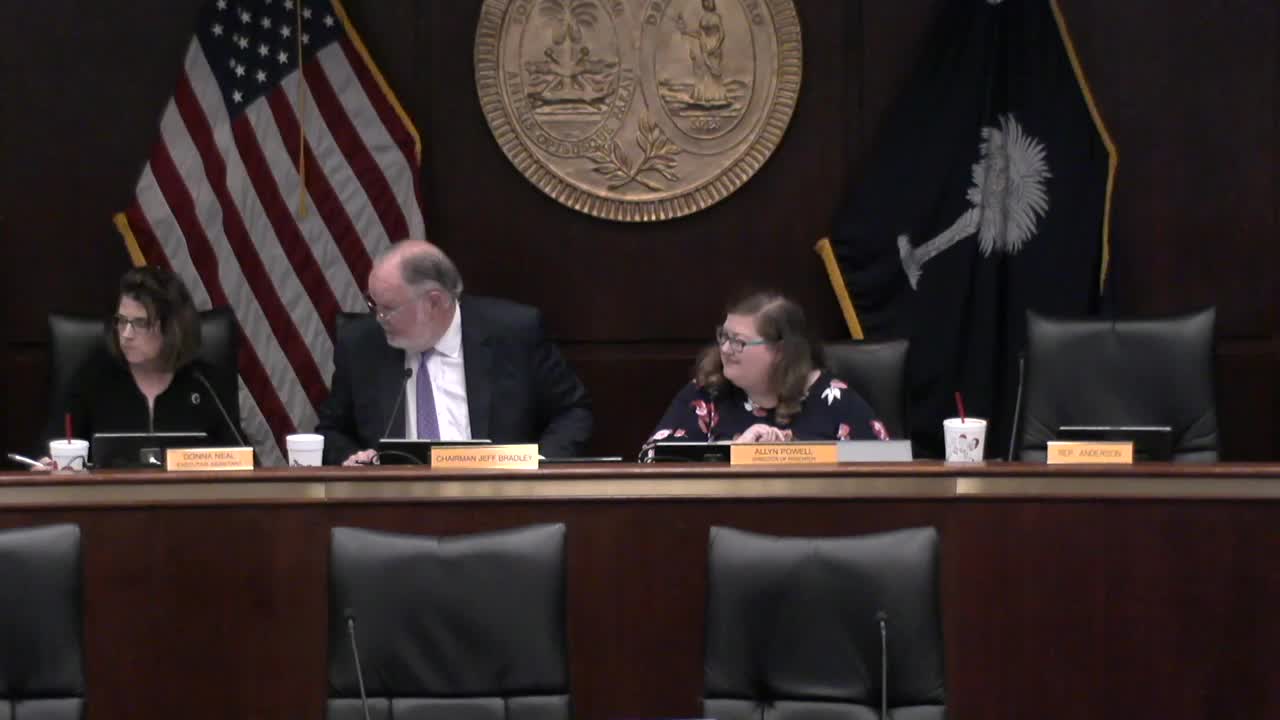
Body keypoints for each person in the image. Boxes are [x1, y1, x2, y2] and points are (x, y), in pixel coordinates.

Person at [315, 239, 592, 465]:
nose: (379, 318)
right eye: (373, 305)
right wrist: (352, 457)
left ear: (434, 302)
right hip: (395, 502)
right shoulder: (362, 344)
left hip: (497, 498)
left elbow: (573, 411)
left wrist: (539, 466)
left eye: (389, 309)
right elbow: (330, 431)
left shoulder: (514, 334)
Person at [34, 266, 244, 468]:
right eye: (121, 321)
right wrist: (46, 464)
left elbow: (242, 460)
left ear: (172, 328)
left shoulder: (204, 382)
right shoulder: (93, 377)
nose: (126, 334)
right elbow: (52, 449)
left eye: (140, 323)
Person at [641, 292, 888, 460]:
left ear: (781, 351)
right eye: (723, 336)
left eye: (738, 342)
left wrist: (790, 455)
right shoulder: (707, 392)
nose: (725, 348)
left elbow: (886, 465)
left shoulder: (834, 398)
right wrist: (733, 452)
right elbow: (652, 459)